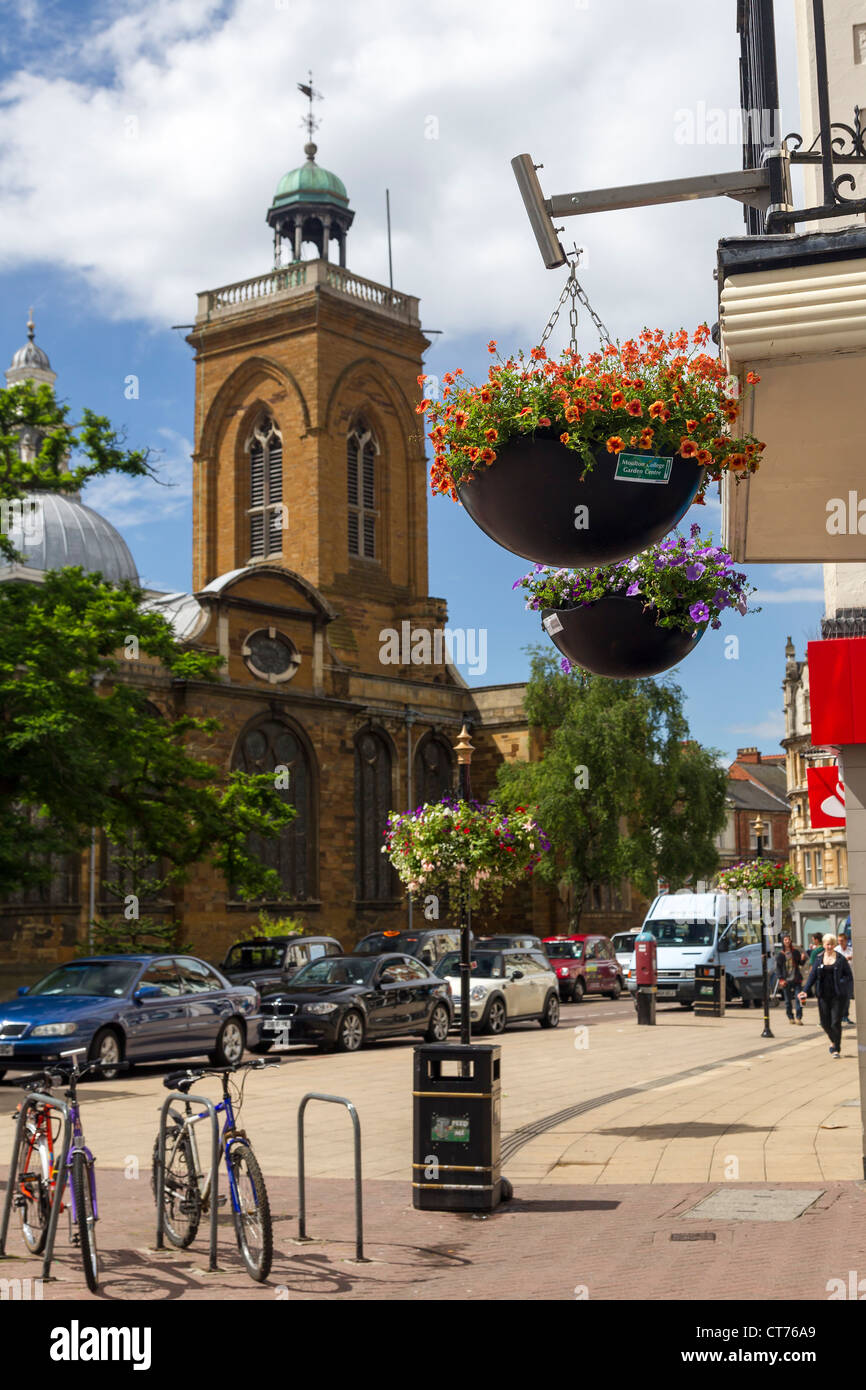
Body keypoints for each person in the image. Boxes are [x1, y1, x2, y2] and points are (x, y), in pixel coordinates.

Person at [799, 934, 854, 1058]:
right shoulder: (819, 959)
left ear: (834, 945)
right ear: (823, 945)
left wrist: (842, 985)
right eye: (827, 944)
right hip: (823, 995)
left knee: (835, 1022)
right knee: (825, 1023)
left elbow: (848, 977)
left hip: (837, 996)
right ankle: (833, 1040)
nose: (829, 946)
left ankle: (836, 1048)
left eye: (831, 944)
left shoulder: (840, 959)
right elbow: (812, 976)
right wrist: (805, 991)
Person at [775, 934, 804, 1023]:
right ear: (783, 942)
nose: (787, 941)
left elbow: (800, 964)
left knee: (799, 999)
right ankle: (790, 1017)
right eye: (785, 940)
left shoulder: (795, 952)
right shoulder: (780, 955)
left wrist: (803, 959)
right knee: (787, 1001)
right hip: (786, 981)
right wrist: (781, 979)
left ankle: (798, 1017)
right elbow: (778, 968)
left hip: (796, 979)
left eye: (788, 939)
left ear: (790, 941)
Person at [838, 931, 854, 1025]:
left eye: (842, 941)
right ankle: (839, 1016)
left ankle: (845, 1016)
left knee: (847, 998)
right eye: (839, 941)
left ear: (846, 941)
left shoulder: (851, 951)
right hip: (839, 978)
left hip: (849, 978)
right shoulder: (836, 950)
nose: (840, 942)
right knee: (839, 998)